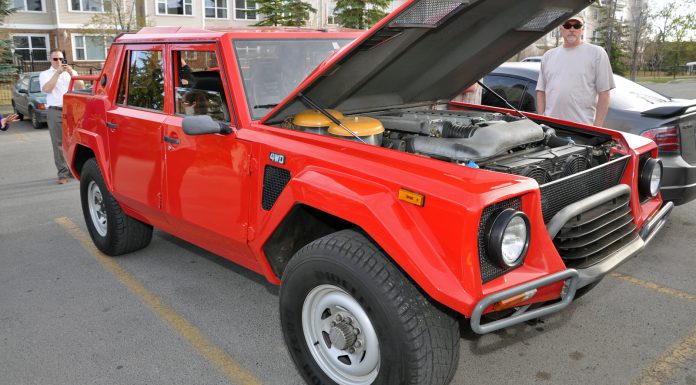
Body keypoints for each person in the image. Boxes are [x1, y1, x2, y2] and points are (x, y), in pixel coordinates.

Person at [536, 15, 615, 127]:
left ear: (582, 30)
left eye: (577, 26)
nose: (572, 29)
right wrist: (542, 120)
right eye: (567, 25)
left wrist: (597, 127)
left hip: (582, 128)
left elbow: (604, 93)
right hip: (550, 127)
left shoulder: (597, 53)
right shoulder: (548, 56)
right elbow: (541, 91)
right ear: (561, 29)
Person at [39, 49, 84, 184]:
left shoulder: (70, 72)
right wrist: (57, 73)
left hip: (72, 110)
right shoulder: (45, 74)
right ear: (50, 60)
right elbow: (47, 89)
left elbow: (81, 87)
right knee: (58, 143)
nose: (58, 62)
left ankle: (73, 170)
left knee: (74, 141)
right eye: (55, 59)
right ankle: (62, 173)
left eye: (61, 59)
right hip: (56, 111)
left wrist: (71, 73)